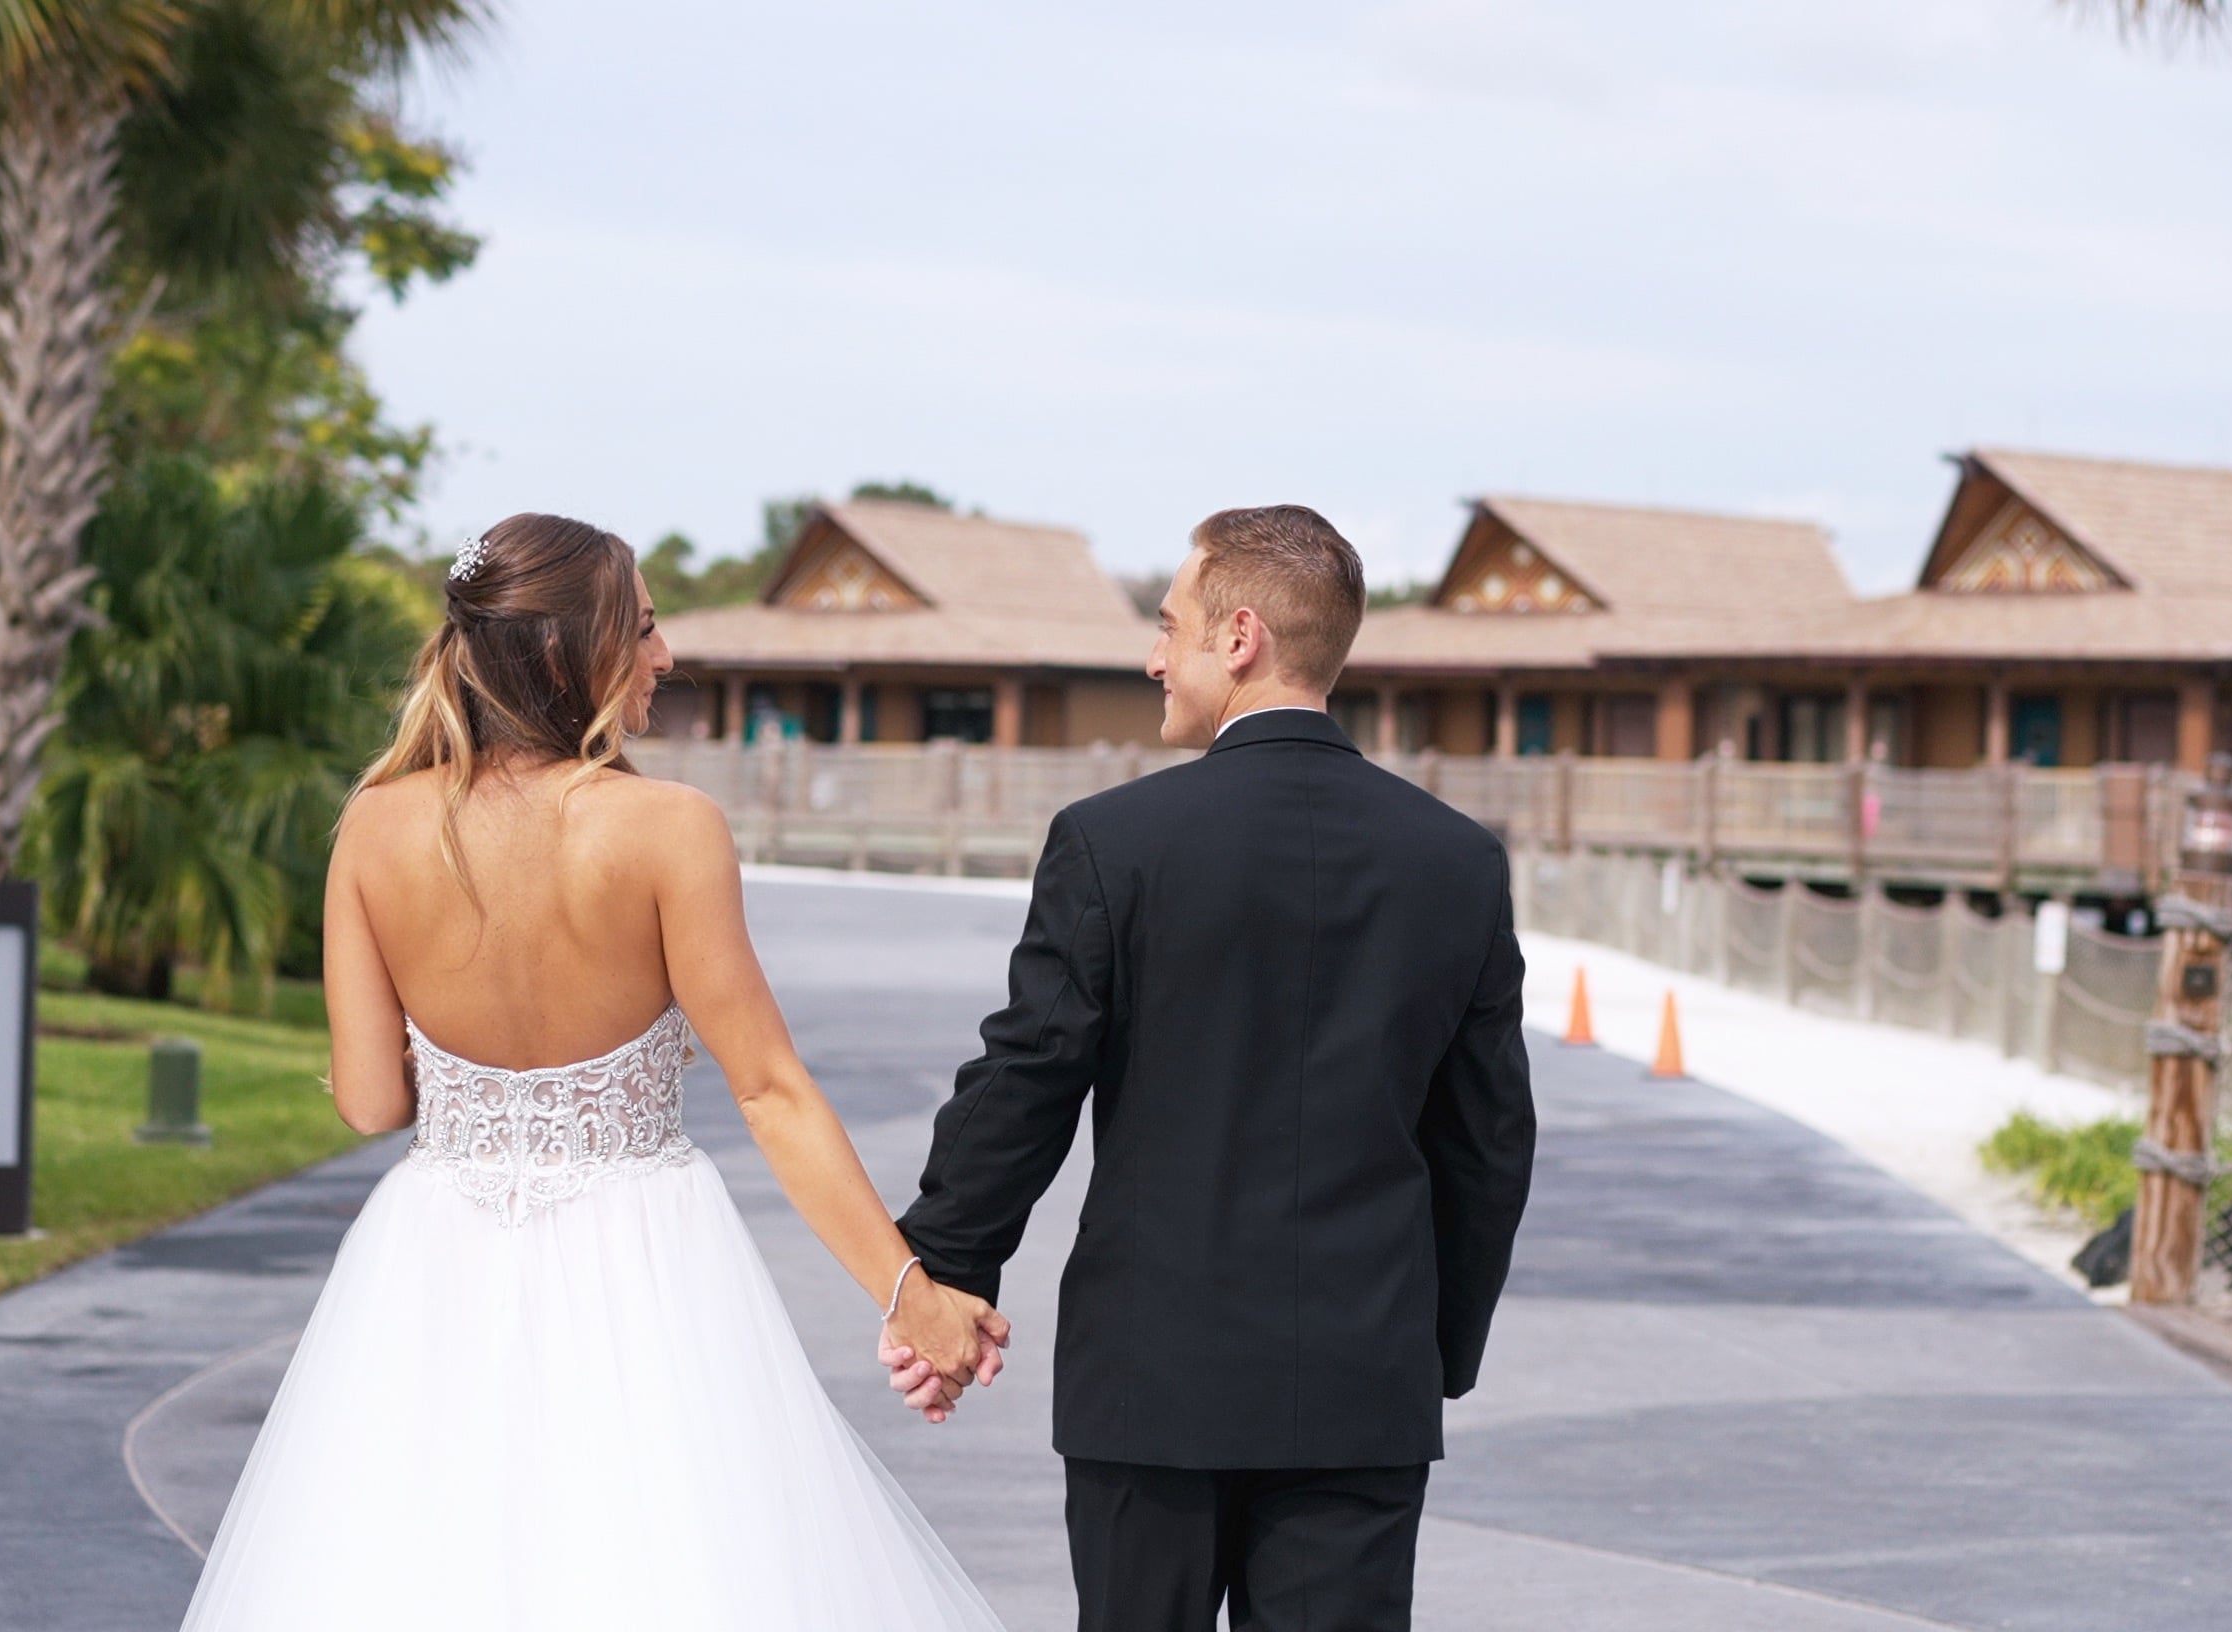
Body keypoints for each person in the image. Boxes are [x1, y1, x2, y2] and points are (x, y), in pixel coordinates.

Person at [176, 513, 1010, 1632]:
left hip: (434, 1261)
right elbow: (768, 1089)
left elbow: (373, 1099)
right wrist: (911, 1300)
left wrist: (479, 1082)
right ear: (573, 653)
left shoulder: (373, 827)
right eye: (648, 628)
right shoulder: (670, 830)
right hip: (645, 1258)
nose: (666, 657)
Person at [884, 504, 1539, 1632]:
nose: (1153, 656)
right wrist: (1432, 1349)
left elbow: (1029, 1077)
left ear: (1238, 638)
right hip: (1360, 1383)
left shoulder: (1114, 842)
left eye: (1168, 623)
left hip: (1151, 1382)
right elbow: (1487, 1144)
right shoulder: (1458, 863)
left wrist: (947, 1272)